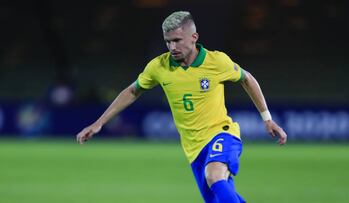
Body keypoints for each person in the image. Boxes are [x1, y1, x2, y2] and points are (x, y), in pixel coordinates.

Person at [76, 11, 287, 203]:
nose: (172, 47)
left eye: (177, 40)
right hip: (194, 149)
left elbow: (247, 79)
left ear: (194, 38)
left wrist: (267, 118)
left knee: (214, 175)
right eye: (168, 42)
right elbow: (132, 91)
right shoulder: (159, 66)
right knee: (219, 197)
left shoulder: (217, 62)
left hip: (222, 134)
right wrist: (99, 123)